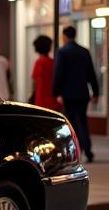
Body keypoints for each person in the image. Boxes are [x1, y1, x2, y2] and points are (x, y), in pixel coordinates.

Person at [53, 25, 99, 162]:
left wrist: (57, 92)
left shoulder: (62, 52)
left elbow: (58, 74)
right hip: (82, 93)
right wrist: (95, 92)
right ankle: (88, 150)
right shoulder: (84, 51)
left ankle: (74, 151)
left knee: (70, 123)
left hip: (68, 94)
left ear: (64, 36)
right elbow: (91, 73)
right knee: (83, 121)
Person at [30, 35, 56, 109]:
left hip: (41, 99)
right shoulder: (53, 62)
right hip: (52, 99)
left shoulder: (39, 62)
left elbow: (34, 83)